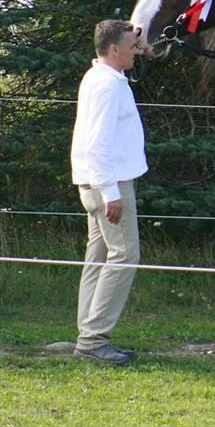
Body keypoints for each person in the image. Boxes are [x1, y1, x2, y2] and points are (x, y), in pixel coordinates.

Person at [70, 19, 148, 366]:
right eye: (132, 46)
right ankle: (94, 338)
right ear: (113, 49)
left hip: (96, 182)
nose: (137, 51)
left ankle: (87, 334)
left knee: (98, 257)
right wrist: (111, 193)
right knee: (124, 254)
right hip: (108, 184)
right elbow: (98, 143)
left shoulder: (101, 77)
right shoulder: (108, 86)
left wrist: (136, 34)